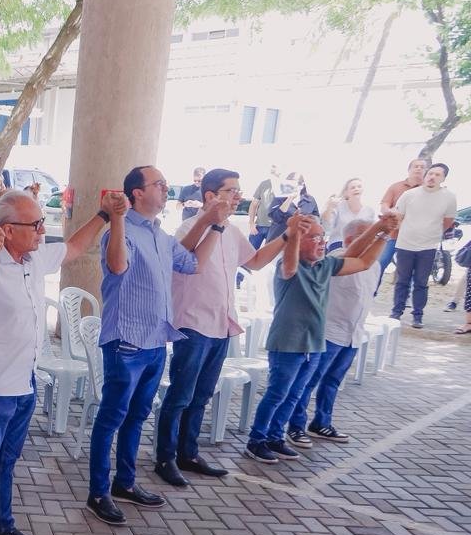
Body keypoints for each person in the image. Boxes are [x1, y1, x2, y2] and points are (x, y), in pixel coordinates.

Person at [0, 189, 111, 535]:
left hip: (24, 381)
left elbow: (74, 247)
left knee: (7, 461)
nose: (43, 230)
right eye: (36, 224)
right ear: (8, 230)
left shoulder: (36, 257)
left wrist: (104, 215)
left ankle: (1, 527)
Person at [87, 167, 219, 527]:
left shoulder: (160, 235)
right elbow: (117, 266)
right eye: (158, 184)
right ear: (137, 193)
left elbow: (193, 264)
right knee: (111, 418)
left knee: (137, 416)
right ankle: (98, 492)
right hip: (127, 342)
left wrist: (215, 225)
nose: (165, 188)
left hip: (156, 341)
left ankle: (125, 482)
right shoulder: (121, 231)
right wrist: (116, 218)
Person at [154, 169, 287, 487]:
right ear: (210, 196)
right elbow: (181, 259)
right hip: (193, 322)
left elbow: (255, 262)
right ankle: (165, 457)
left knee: (201, 395)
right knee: (181, 395)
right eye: (231, 191)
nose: (238, 196)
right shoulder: (190, 227)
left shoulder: (232, 230)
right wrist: (211, 224)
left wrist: (287, 236)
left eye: (239, 190)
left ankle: (188, 453)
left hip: (220, 322)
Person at [244, 213, 395, 464]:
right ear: (299, 240)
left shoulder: (326, 265)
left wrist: (383, 233)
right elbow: (290, 267)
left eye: (322, 237)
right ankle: (256, 440)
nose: (321, 242)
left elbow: (364, 261)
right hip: (288, 343)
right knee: (277, 394)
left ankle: (275, 437)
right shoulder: (287, 266)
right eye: (313, 237)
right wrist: (293, 233)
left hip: (314, 343)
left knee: (294, 395)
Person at [288, 218, 390, 443]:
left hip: (354, 333)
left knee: (333, 381)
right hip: (329, 332)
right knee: (308, 381)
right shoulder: (336, 257)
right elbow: (351, 256)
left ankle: (322, 422)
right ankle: (296, 426)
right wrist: (380, 229)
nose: (374, 240)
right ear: (350, 239)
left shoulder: (375, 264)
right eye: (370, 236)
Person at [391, 162, 456, 328]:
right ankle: (396, 312)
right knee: (402, 280)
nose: (432, 177)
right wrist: (406, 230)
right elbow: (398, 216)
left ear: (443, 178)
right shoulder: (409, 194)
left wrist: (433, 232)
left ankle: (417, 315)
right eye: (430, 173)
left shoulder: (449, 197)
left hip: (428, 246)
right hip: (405, 243)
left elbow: (448, 220)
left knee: (421, 282)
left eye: (437, 175)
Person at [377, 157, 429, 289]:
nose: (419, 169)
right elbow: (384, 205)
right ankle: (371, 292)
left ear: (426, 171)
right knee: (380, 263)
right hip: (392, 235)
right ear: (409, 169)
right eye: (416, 166)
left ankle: (403, 297)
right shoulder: (396, 187)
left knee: (408, 270)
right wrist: (390, 212)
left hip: (413, 238)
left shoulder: (428, 190)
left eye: (422, 167)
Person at [323, 178, 375, 251]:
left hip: (361, 245)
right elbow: (327, 227)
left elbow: (371, 231)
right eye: (353, 187)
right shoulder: (338, 207)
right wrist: (329, 207)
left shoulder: (369, 210)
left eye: (359, 187)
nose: (356, 189)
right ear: (346, 193)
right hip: (338, 243)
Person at [247, 165, 279, 250]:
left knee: (269, 254)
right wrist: (251, 223)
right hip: (259, 226)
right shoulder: (264, 184)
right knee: (249, 253)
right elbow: (254, 204)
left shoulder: (286, 186)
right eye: (273, 167)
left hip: (275, 228)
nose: (274, 169)